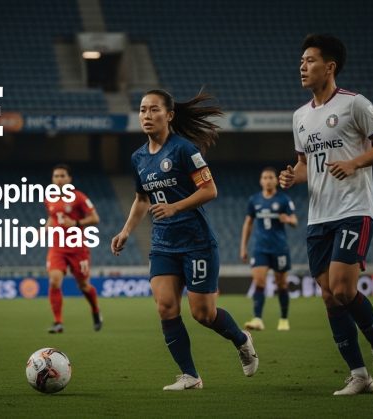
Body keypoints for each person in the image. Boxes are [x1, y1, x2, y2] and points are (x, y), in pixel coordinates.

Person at [111, 89, 258, 391]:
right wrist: (126, 231)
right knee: (165, 307)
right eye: (142, 110)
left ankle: (242, 340)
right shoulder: (138, 157)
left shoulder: (184, 149)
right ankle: (190, 375)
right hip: (163, 243)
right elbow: (142, 199)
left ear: (169, 115)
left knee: (203, 314)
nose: (147, 116)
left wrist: (175, 207)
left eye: (154, 110)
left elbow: (210, 190)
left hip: (196, 242)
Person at [280, 34, 373, 396]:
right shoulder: (300, 116)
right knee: (330, 296)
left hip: (353, 210)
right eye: (301, 60)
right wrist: (291, 176)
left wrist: (354, 162)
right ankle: (358, 374)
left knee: (344, 289)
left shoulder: (354, 104)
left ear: (329, 67)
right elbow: (305, 167)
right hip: (318, 217)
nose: (302, 66)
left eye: (310, 60)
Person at [45, 164, 102, 333]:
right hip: (57, 247)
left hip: (77, 248)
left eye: (62, 176)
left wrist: (76, 223)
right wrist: (45, 228)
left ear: (69, 179)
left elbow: (95, 218)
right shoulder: (49, 198)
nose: (59, 179)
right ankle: (58, 322)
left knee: (84, 286)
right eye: (56, 176)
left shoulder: (79, 197)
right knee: (54, 281)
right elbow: (52, 217)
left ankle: (95, 311)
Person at [240, 167, 297, 331]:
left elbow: (295, 221)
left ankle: (284, 319)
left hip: (279, 248)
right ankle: (258, 319)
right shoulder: (254, 200)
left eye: (271, 177)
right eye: (264, 177)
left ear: (276, 180)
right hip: (260, 248)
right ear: (261, 181)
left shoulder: (284, 199)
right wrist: (243, 247)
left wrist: (288, 220)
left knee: (282, 284)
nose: (268, 180)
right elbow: (248, 223)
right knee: (259, 281)